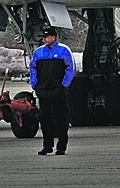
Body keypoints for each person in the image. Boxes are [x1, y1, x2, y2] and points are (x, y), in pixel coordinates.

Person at [29, 26, 75, 155]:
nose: (44, 39)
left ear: (54, 37)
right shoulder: (38, 52)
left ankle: (61, 146)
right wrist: (35, 84)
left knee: (61, 118)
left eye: (47, 37)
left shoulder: (63, 51)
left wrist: (64, 85)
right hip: (44, 91)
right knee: (45, 119)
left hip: (58, 91)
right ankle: (47, 145)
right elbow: (33, 68)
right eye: (43, 37)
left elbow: (70, 68)